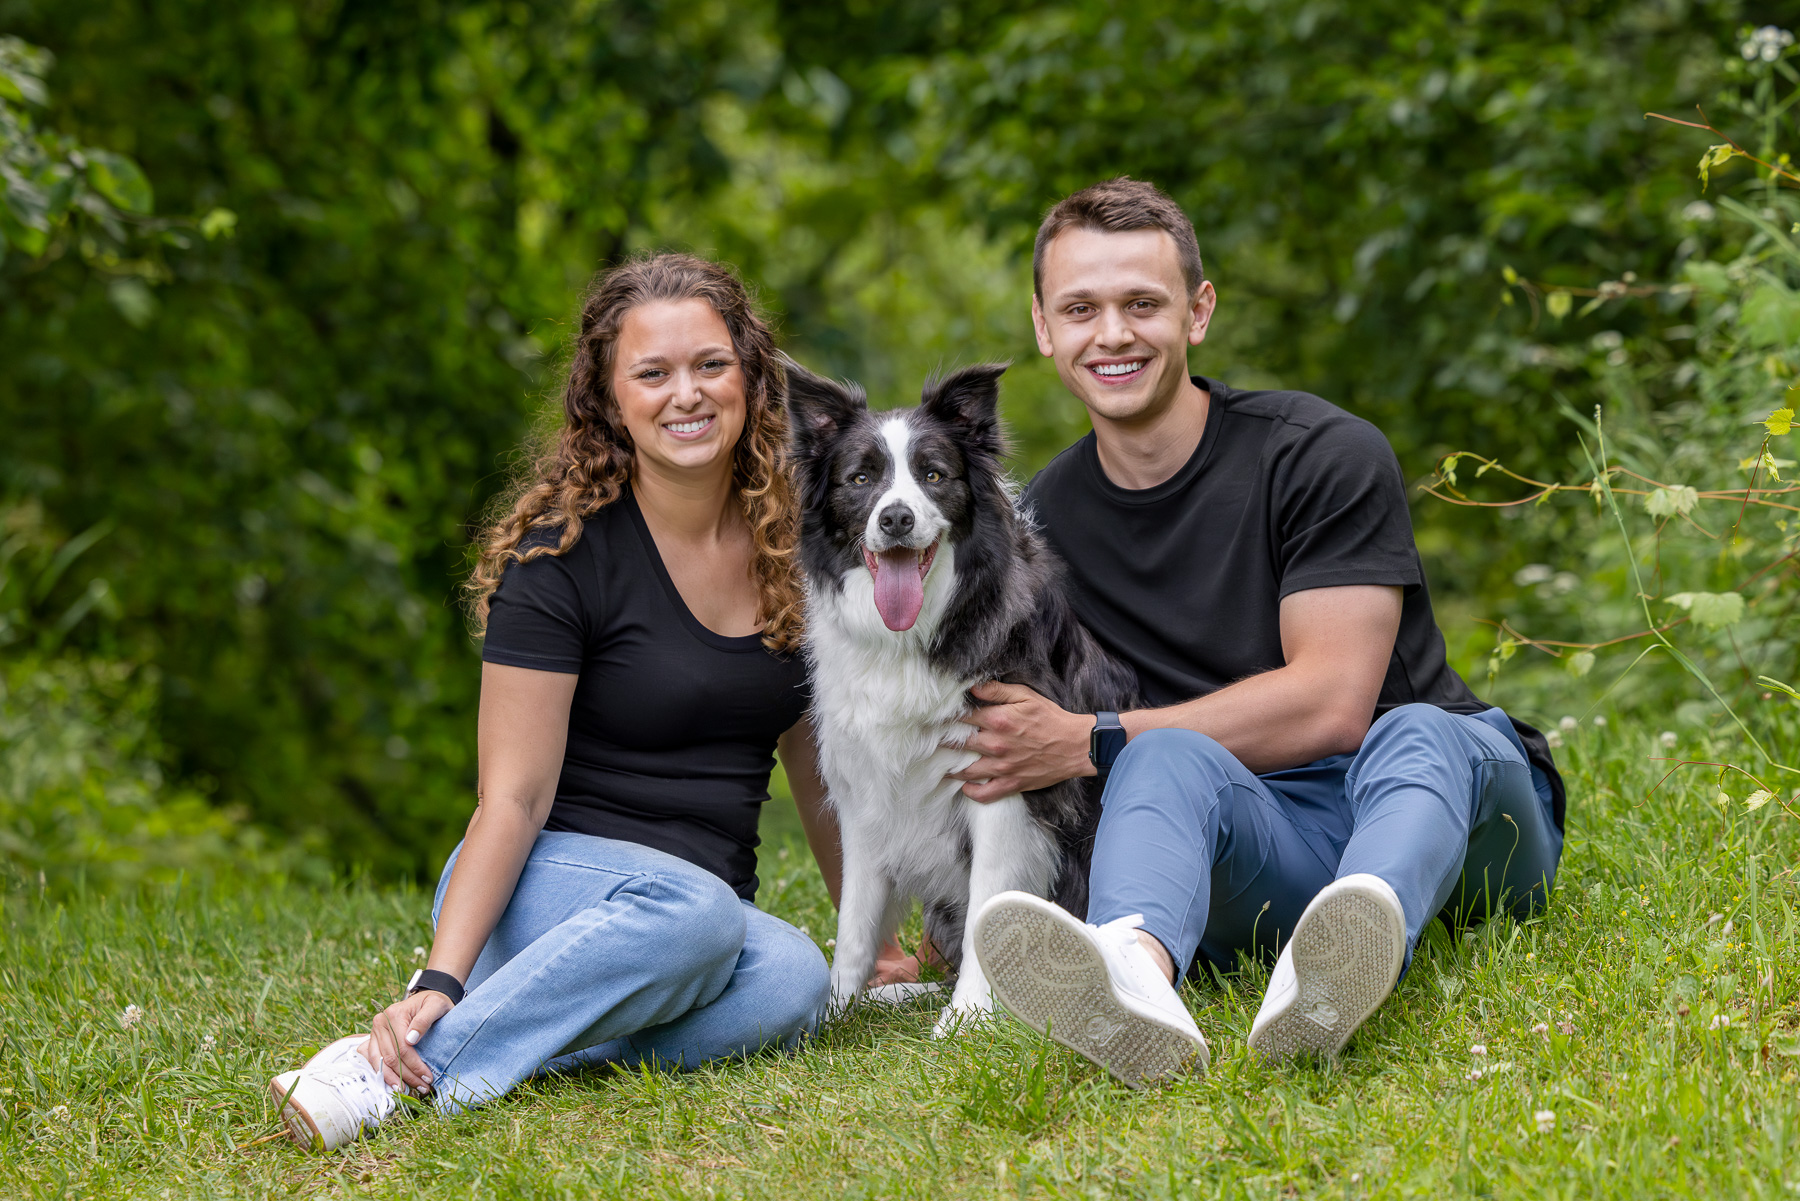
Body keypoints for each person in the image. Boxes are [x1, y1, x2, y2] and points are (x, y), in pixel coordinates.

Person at [964, 178, 1564, 1087]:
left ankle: (1355, 944)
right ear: (1045, 328)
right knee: (1161, 759)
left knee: (1416, 728)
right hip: (1268, 834)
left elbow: (1332, 704)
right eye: (1080, 308)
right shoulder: (1043, 521)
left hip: (1445, 809)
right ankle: (1135, 978)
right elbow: (987, 726)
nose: (1113, 334)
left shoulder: (1319, 453)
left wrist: (1090, 741)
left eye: (1142, 304)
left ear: (1198, 312)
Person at [268, 253, 845, 1150]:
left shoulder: (800, 551)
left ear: (751, 378)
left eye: (709, 365)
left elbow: (818, 768)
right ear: (611, 400)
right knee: (698, 913)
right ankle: (406, 1070)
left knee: (798, 978)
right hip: (547, 891)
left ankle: (522, 1053)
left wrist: (866, 936)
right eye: (651, 373)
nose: (684, 394)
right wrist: (442, 976)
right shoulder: (559, 557)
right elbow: (513, 797)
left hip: (691, 928)